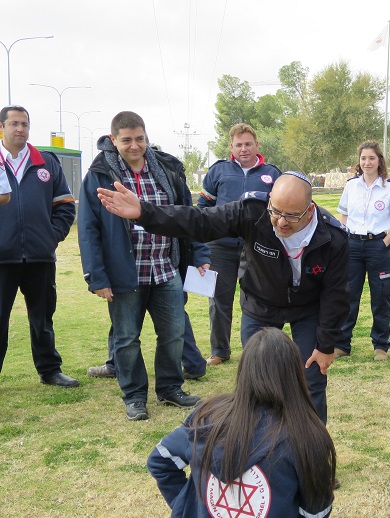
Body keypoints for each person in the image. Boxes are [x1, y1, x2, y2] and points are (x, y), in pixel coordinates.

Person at [95, 170, 349, 424]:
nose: (281, 222)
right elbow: (200, 221)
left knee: (311, 378)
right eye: (276, 211)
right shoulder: (253, 210)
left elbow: (336, 296)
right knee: (257, 381)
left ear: (310, 210)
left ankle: (312, 451)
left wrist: (326, 346)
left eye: (292, 215)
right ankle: (258, 445)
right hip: (260, 304)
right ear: (269, 200)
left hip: (307, 308)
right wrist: (144, 212)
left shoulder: (332, 237)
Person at [147, 327, 374, 518]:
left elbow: (160, 460)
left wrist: (194, 508)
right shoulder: (305, 434)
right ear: (294, 375)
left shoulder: (208, 415)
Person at [78, 111, 205, 421]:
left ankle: (170, 388)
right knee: (126, 338)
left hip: (165, 268)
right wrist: (97, 276)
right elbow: (88, 229)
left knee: (173, 334)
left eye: (139, 139)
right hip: (126, 273)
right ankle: (134, 396)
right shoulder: (99, 174)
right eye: (126, 140)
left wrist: (199, 254)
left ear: (146, 137)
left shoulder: (168, 169)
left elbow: (187, 216)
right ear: (113, 140)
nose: (134, 146)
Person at [0, 105, 79, 387]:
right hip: (2, 259)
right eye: (13, 124)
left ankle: (49, 370)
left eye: (24, 124)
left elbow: (65, 208)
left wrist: (50, 236)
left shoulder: (46, 162)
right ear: (2, 127)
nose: (19, 129)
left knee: (43, 317)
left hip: (40, 257)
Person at [199, 123, 281, 367]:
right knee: (218, 300)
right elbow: (203, 209)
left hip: (256, 247)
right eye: (238, 145)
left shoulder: (272, 173)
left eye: (248, 144)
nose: (243, 149)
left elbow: (281, 209)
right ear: (231, 147)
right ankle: (219, 350)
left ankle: (257, 349)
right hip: (220, 247)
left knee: (256, 299)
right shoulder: (218, 171)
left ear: (257, 145)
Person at [334, 141, 390, 361]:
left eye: (371, 158)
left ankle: (380, 346)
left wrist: (383, 243)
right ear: (359, 161)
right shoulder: (351, 186)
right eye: (363, 158)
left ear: (379, 161)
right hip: (352, 246)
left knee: (380, 298)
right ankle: (342, 344)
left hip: (378, 247)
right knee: (348, 296)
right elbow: (343, 214)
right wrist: (345, 237)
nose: (367, 162)